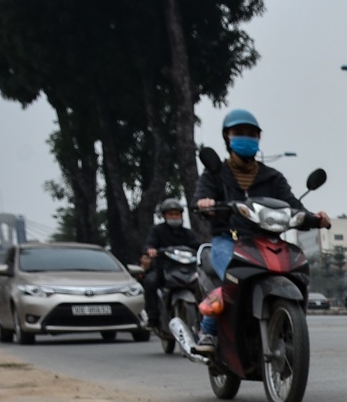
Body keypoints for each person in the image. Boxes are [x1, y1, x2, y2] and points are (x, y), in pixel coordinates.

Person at [192, 109, 329, 353]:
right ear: (227, 138)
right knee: (229, 278)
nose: (246, 138)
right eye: (239, 133)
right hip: (229, 241)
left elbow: (293, 206)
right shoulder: (216, 174)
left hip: (267, 242)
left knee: (296, 271)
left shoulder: (272, 177)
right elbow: (201, 196)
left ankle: (288, 326)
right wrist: (205, 203)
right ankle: (208, 330)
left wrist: (315, 218)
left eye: (252, 134)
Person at [139, 198, 198, 330]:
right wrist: (150, 250)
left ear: (181, 216)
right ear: (164, 216)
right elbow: (149, 244)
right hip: (163, 268)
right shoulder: (157, 230)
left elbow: (196, 246)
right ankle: (153, 318)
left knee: (203, 282)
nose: (174, 217)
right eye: (171, 214)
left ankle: (205, 317)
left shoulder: (188, 233)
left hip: (185, 269)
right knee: (150, 281)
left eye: (176, 214)